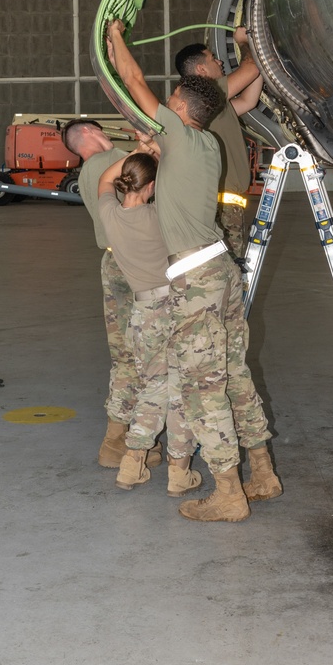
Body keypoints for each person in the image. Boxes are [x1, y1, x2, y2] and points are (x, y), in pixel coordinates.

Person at [105, 19, 282, 522]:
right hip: (222, 271)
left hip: (197, 282)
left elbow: (132, 82)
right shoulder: (206, 145)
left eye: (173, 96)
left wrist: (115, 35)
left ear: (180, 108)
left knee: (202, 388)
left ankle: (229, 492)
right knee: (236, 374)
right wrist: (152, 145)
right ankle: (262, 471)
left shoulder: (182, 135)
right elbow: (162, 147)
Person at [96, 150, 202, 497]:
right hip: (173, 308)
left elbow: (103, 181)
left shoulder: (108, 213)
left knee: (152, 387)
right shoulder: (161, 216)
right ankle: (178, 472)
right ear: (153, 186)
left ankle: (132, 465)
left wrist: (134, 154)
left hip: (142, 315)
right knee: (181, 390)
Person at [60, 118, 161, 471]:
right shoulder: (106, 162)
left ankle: (116, 442)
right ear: (88, 133)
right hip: (139, 265)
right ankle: (138, 443)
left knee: (124, 356)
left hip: (113, 262)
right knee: (153, 355)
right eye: (99, 127)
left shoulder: (97, 168)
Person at [174, 27, 263, 259]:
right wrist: (245, 42)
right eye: (213, 58)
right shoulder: (206, 94)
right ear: (201, 69)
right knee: (228, 268)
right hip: (221, 206)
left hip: (225, 203)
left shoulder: (209, 106)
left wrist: (261, 64)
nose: (220, 62)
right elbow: (250, 68)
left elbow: (248, 101)